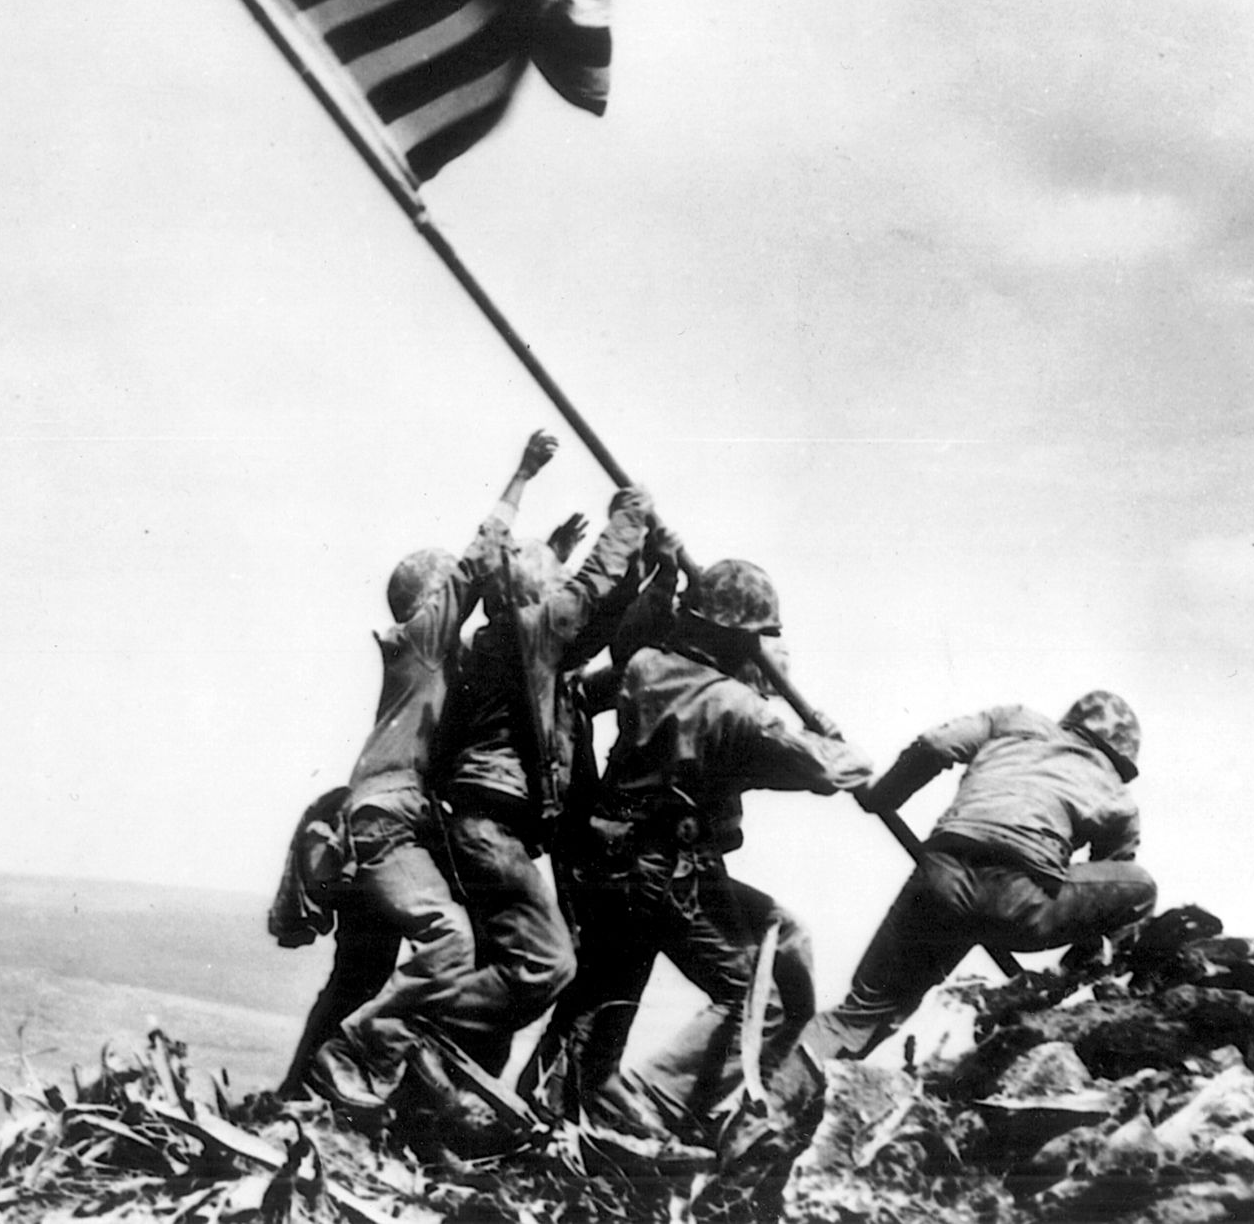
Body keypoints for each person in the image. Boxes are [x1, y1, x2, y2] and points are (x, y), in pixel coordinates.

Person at [323, 481, 656, 1082]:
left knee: (503, 962)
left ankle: (427, 1080)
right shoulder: (505, 640)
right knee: (536, 963)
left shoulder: (516, 653)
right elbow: (585, 596)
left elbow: (602, 631)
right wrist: (627, 522)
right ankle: (387, 1046)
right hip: (446, 829)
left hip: (465, 830)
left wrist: (650, 579)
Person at [531, 559, 874, 1140]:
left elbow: (579, 699)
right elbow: (831, 770)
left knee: (772, 944)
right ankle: (657, 1106)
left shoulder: (644, 666)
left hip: (609, 855)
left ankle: (571, 1097)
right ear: (740, 639)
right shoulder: (739, 710)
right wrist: (831, 737)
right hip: (665, 876)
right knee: (756, 995)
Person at [290, 430, 557, 1101]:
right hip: (390, 820)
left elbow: (507, 605)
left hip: (392, 822)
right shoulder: (422, 643)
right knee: (451, 944)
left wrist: (554, 558)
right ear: (431, 600)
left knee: (360, 973)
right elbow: (477, 566)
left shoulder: (436, 663)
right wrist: (522, 475)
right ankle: (350, 1067)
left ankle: (300, 1094)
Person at [784, 690, 1156, 1080]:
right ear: (1120, 757)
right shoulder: (1118, 798)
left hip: (940, 881)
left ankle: (757, 1093)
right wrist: (1083, 959)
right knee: (1140, 887)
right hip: (1017, 903)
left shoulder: (1015, 720)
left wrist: (882, 797)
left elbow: (934, 745)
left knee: (860, 1014)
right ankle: (1077, 974)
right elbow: (1110, 889)